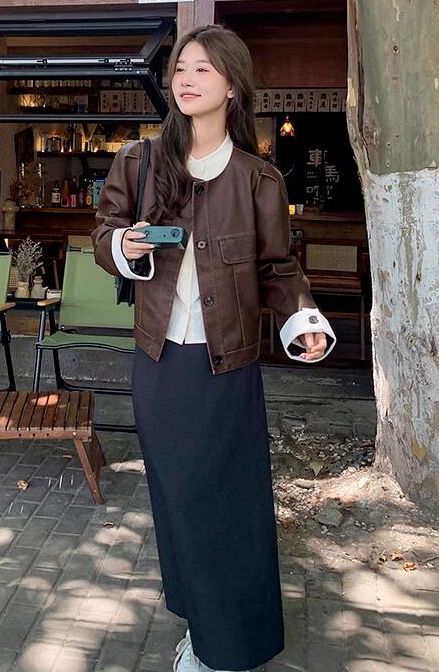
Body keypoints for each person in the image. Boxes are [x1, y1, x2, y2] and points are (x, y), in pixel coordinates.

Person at [92, 24, 336, 672]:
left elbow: (278, 268)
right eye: (180, 68)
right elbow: (103, 232)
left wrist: (302, 321)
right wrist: (123, 245)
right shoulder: (139, 162)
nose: (186, 78)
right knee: (178, 504)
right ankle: (200, 626)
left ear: (231, 85)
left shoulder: (258, 179)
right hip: (160, 366)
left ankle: (225, 647)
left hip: (226, 368)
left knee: (229, 509)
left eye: (202, 68)